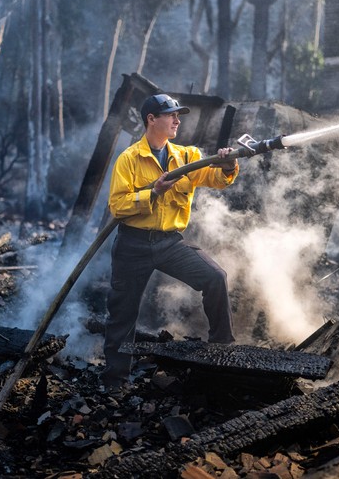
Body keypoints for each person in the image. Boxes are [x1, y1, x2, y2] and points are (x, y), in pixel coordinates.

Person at [101, 93, 239, 390]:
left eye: (179, 115)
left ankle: (222, 352)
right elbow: (118, 206)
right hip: (132, 245)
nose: (177, 120)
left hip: (168, 243)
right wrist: (153, 192)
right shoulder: (129, 159)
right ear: (151, 119)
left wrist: (229, 165)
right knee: (122, 314)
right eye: (171, 115)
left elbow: (216, 178)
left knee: (215, 277)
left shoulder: (186, 156)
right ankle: (114, 381)